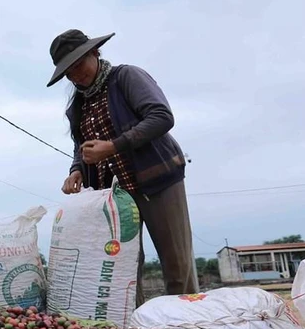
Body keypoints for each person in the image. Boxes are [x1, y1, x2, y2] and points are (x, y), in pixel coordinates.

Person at [46, 29, 199, 306]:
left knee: (176, 262)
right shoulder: (76, 106)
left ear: (94, 52)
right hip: (116, 198)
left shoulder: (125, 78)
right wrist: (76, 170)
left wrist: (114, 146)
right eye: (68, 72)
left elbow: (162, 116)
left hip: (157, 181)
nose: (75, 74)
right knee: (124, 267)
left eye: (78, 64)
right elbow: (80, 145)